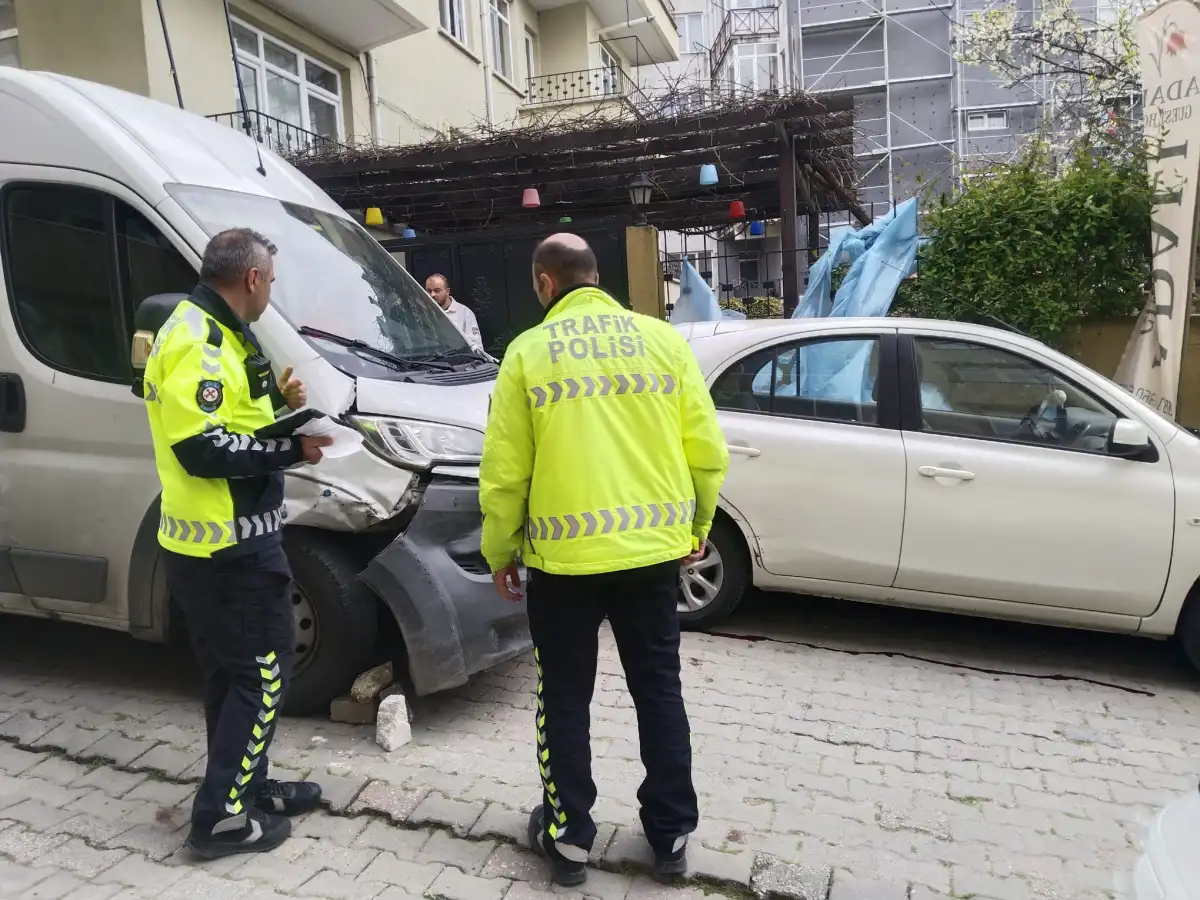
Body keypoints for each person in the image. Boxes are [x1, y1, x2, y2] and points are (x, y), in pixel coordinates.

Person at [478, 233, 729, 887]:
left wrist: (500, 547)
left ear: (544, 282)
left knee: (562, 696)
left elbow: (505, 471)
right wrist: (697, 525)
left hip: (563, 564)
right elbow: (707, 449)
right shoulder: (665, 343)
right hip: (652, 557)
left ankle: (568, 840)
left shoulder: (527, 355)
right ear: (596, 277)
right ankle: (671, 837)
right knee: (659, 692)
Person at [141, 228, 333, 859]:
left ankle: (246, 788)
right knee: (262, 674)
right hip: (226, 547)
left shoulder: (211, 326)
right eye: (271, 282)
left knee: (233, 675)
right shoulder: (199, 337)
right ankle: (222, 817)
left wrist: (278, 404)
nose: (271, 293)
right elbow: (200, 449)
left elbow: (223, 419)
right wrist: (291, 448)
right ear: (251, 278)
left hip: (218, 540)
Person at [425, 273, 485, 353]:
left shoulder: (464, 313)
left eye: (437, 290)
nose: (432, 295)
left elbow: (477, 347)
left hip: (459, 362)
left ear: (447, 291)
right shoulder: (423, 313)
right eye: (429, 291)